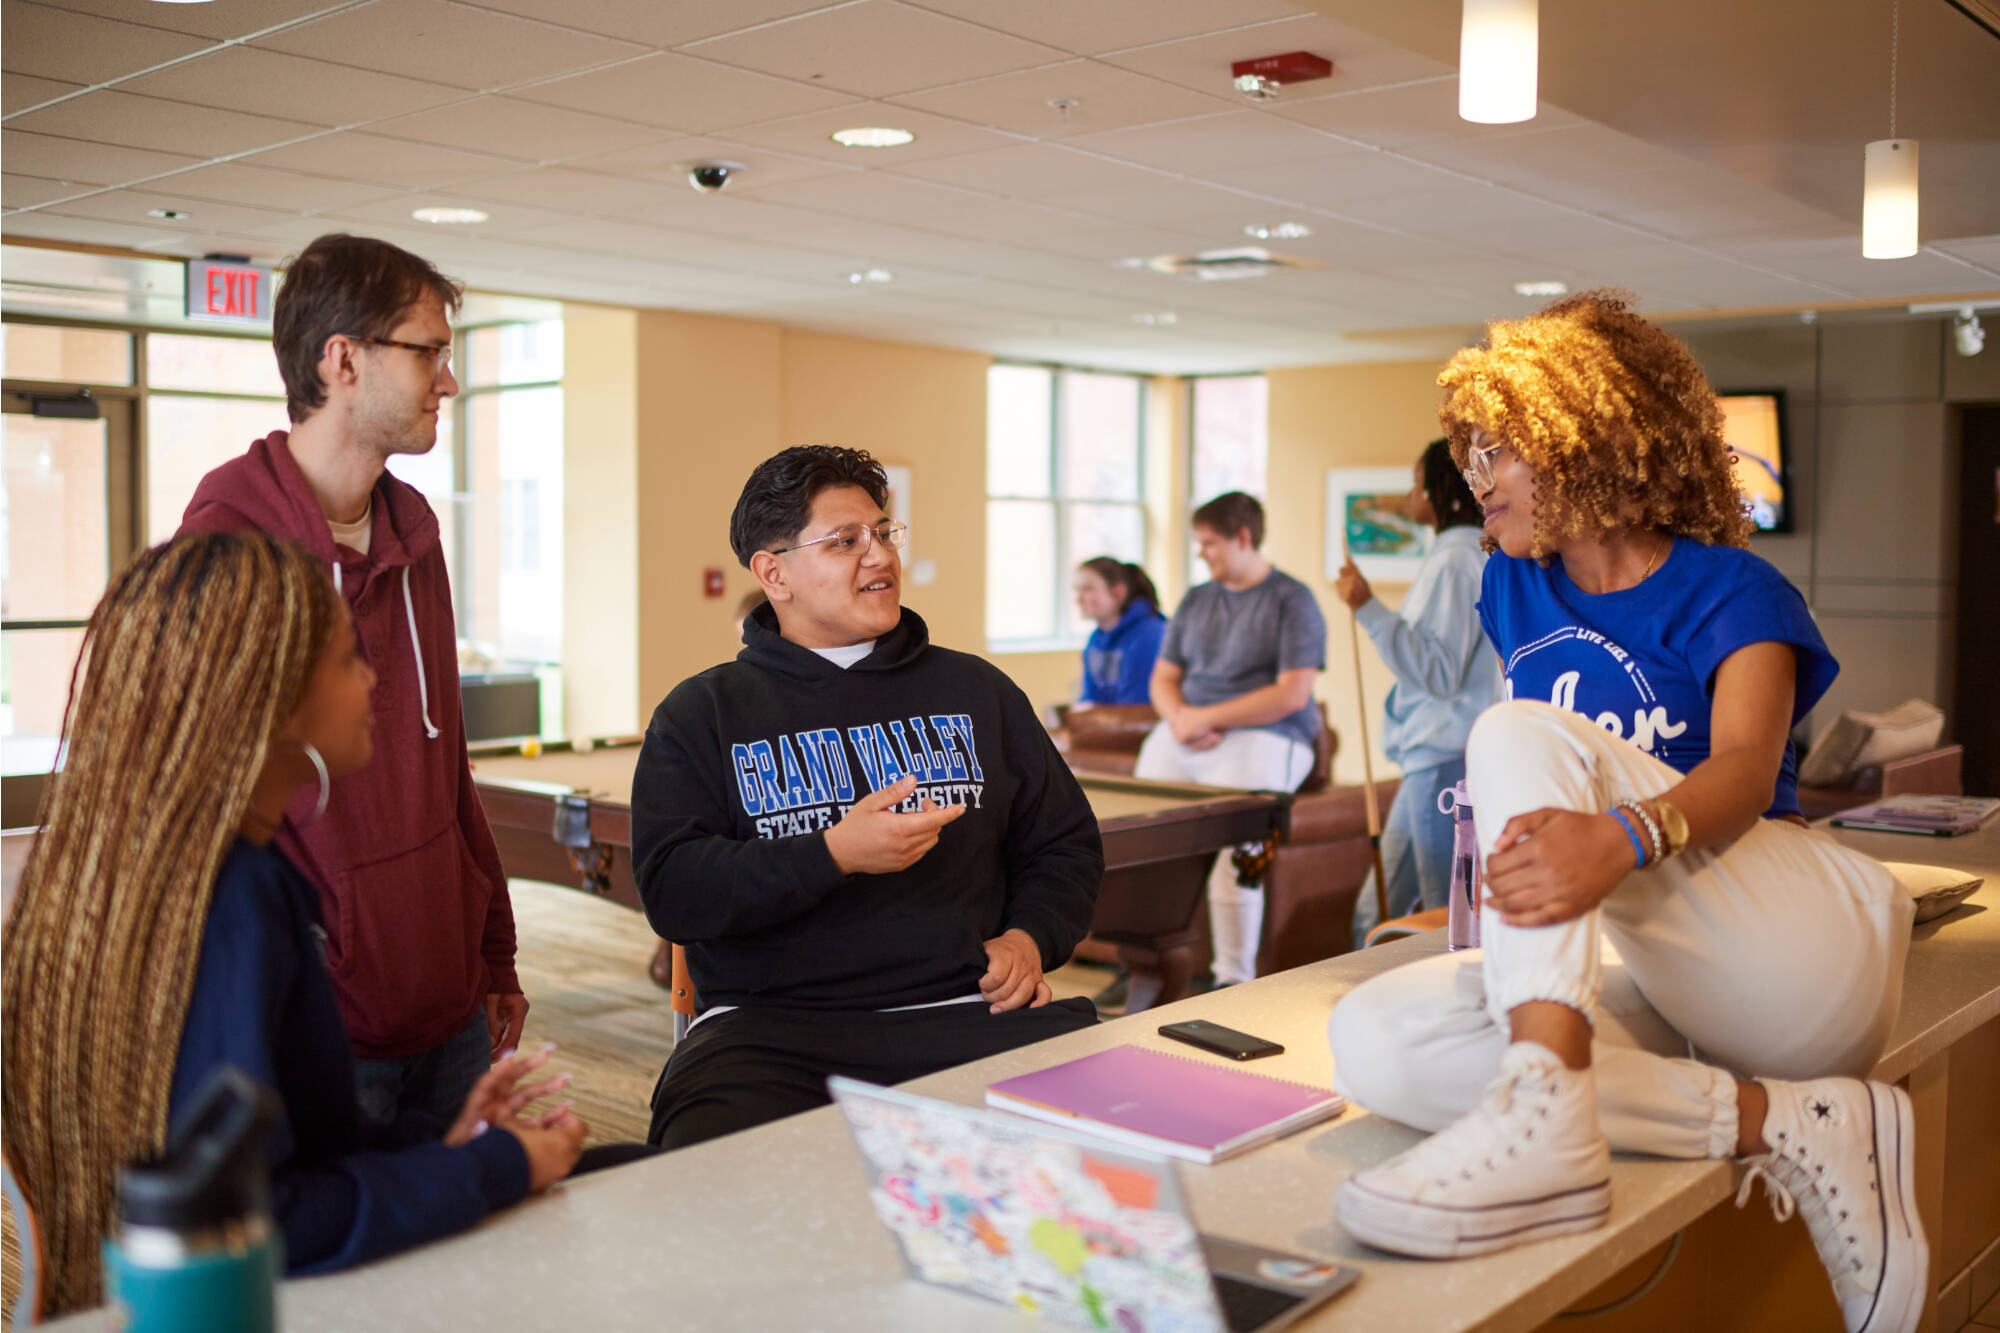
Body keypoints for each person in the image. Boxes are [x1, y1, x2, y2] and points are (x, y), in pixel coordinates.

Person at [1327, 293, 1923, 1333]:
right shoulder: (1508, 590)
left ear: (1588, 438)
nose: (1475, 481)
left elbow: (1742, 770)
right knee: (1372, 1036)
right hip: (1655, 961)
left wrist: (1619, 835)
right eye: (1468, 454)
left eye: (1499, 451)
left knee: (1512, 732)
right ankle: (1788, 1122)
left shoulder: (1733, 587)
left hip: (1789, 954)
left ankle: (1549, 1107)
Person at [0, 533, 593, 1316]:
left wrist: (448, 1146)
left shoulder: (126, 871)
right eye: (350, 660)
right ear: (273, 701)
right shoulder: (238, 895)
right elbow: (266, 1216)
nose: (374, 679)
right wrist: (497, 1167)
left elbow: (301, 1151)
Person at [633, 446, 1103, 1149]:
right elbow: (676, 891)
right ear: (774, 573)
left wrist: (1029, 936)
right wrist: (830, 854)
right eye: (845, 541)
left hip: (967, 1014)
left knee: (1118, 1146)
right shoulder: (702, 713)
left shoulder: (977, 691)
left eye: (883, 533)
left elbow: (1064, 844)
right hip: (772, 1036)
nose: (878, 556)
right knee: (702, 1185)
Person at [178, 233, 525, 1129]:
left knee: (465, 1255)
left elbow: (446, 769)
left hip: (447, 1005)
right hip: (320, 1020)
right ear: (342, 360)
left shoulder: (414, 531)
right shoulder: (229, 541)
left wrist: (494, 958)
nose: (447, 380)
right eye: (429, 350)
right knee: (341, 1259)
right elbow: (201, 798)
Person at [1141, 492, 1326, 987]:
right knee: (1138, 831)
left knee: (1235, 845)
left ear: (1244, 538)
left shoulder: (1293, 600)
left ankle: (1232, 979)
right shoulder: (1197, 599)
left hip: (1267, 735)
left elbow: (1292, 694)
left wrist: (1207, 718)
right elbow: (1162, 679)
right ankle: (1144, 962)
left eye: (1210, 544)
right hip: (1188, 731)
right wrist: (1181, 719)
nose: (1201, 553)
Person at [1336, 440, 1502, 945]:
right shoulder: (1465, 554)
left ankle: (1430, 1011)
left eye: (1415, 483)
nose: (1410, 495)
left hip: (1442, 755)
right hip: (1435, 753)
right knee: (1376, 913)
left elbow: (1438, 669)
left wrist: (1367, 606)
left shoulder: (1455, 558)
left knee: (1438, 915)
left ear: (1437, 490)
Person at [1073, 557, 1166, 707]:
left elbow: (1135, 707)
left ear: (1118, 593)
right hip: (1108, 725)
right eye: (1077, 590)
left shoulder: (1150, 634)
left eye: (1088, 589)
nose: (1078, 598)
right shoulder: (1095, 639)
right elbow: (1089, 700)